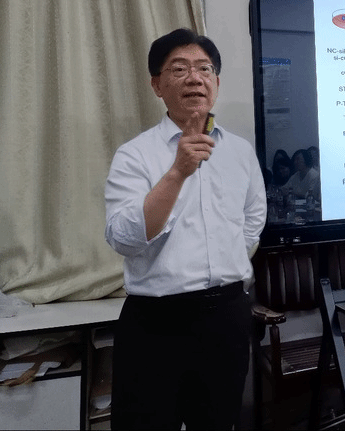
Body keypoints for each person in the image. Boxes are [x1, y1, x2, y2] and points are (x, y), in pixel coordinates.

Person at [104, 28, 266, 430]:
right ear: (157, 85)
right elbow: (123, 238)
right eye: (179, 69)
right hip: (156, 323)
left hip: (226, 316)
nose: (195, 78)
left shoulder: (240, 151)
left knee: (218, 422)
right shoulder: (135, 155)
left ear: (216, 82)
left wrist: (226, 261)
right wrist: (177, 171)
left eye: (204, 69)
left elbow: (252, 221)